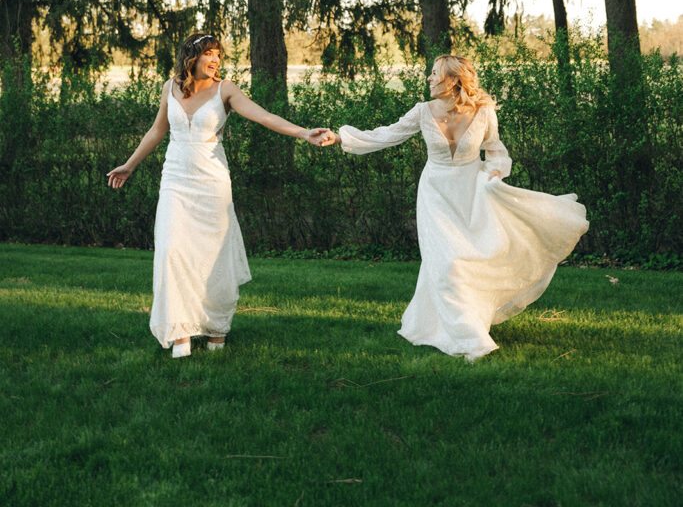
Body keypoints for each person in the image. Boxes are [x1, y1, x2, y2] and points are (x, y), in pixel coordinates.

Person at [320, 54, 589, 361]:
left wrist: (495, 173)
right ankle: (470, 338)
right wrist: (342, 137)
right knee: (447, 263)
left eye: (435, 74)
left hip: (472, 193)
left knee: (470, 258)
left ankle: (465, 320)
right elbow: (387, 134)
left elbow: (496, 151)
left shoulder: (484, 111)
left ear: (454, 80)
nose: (429, 79)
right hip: (435, 194)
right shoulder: (423, 111)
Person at [107, 32, 327, 358]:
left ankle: (215, 329)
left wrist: (303, 132)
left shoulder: (226, 90)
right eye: (208, 54)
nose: (215, 61)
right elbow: (158, 130)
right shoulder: (170, 88)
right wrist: (129, 165)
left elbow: (263, 116)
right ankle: (180, 332)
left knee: (213, 259)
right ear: (191, 57)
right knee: (172, 252)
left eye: (218, 56)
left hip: (212, 186)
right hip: (175, 182)